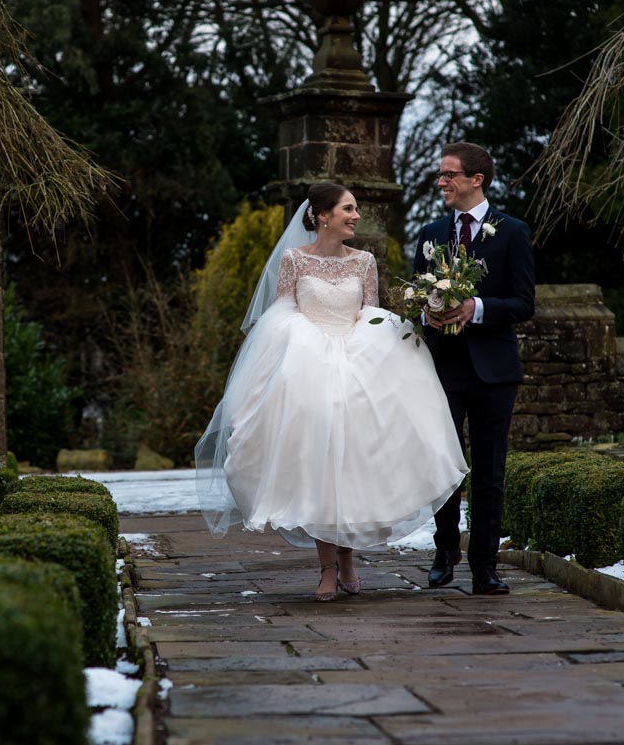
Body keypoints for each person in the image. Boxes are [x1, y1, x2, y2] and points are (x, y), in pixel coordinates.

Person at [196, 183, 468, 601]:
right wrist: (297, 351)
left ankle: (347, 557)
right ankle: (327, 566)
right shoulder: (294, 260)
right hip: (309, 364)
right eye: (348, 209)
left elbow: (369, 312)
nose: (356, 216)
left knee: (356, 462)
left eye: (356, 209)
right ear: (322, 215)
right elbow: (282, 312)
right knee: (319, 466)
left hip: (357, 361)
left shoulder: (364, 261)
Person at [413, 142, 535, 595]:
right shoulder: (430, 233)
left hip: (494, 371)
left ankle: (485, 565)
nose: (441, 182)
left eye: (449, 175)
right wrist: (428, 313)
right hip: (442, 368)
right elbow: (417, 296)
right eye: (440, 175)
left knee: (489, 471)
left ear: (476, 179)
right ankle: (445, 549)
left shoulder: (512, 232)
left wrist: (476, 307)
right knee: (443, 465)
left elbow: (524, 303)